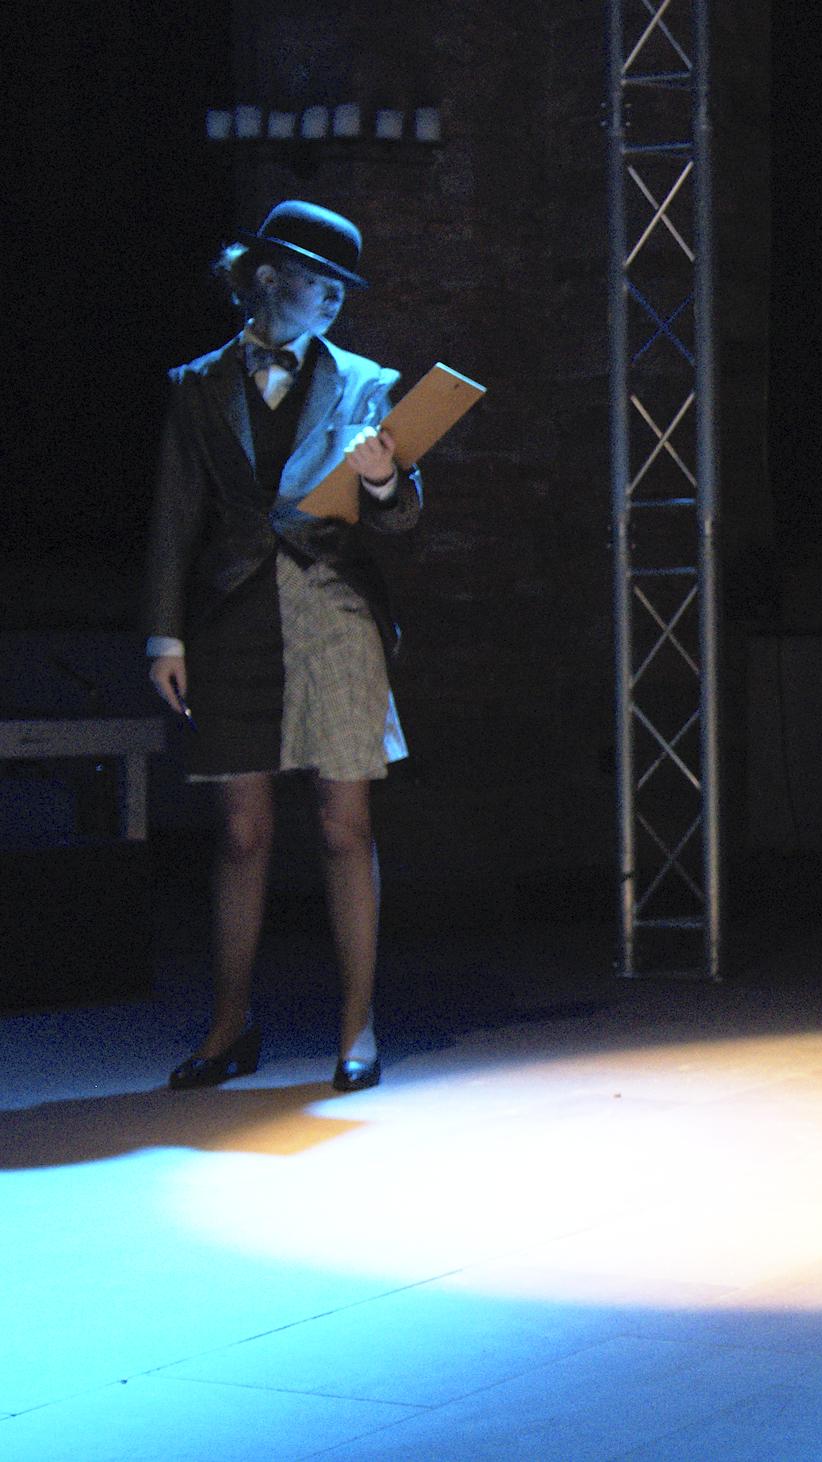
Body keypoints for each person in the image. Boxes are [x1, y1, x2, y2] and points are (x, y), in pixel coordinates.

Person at [143, 200, 422, 1093]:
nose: (335, 299)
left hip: (332, 611)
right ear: (268, 278)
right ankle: (229, 1025)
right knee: (241, 833)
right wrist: (165, 632)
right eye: (319, 281)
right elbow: (175, 514)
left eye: (344, 286)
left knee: (344, 825)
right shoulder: (198, 384)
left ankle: (357, 1027)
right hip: (232, 618)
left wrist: (385, 479)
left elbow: (402, 515)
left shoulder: (366, 380)